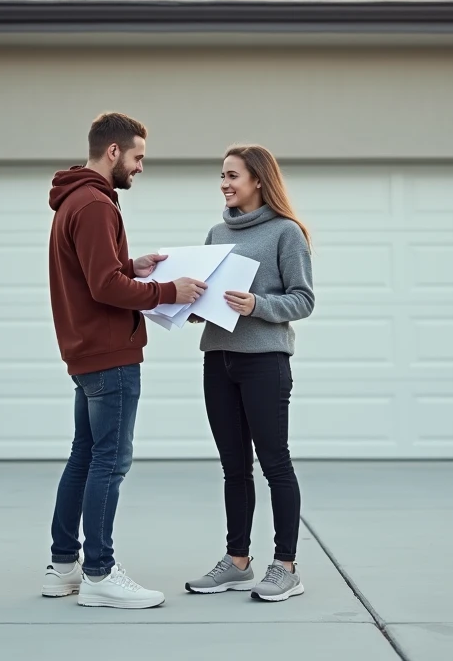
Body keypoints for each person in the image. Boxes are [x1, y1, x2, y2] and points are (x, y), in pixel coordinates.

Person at [42, 112, 207, 609]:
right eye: (137, 157)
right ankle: (99, 574)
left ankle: (63, 566)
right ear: (113, 151)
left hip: (87, 353)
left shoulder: (76, 200)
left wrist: (131, 267)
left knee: (86, 457)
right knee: (109, 463)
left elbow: (101, 273)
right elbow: (103, 287)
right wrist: (166, 290)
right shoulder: (94, 204)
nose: (139, 167)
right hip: (109, 357)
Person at [184, 145, 315, 603]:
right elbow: (208, 298)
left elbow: (303, 299)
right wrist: (194, 308)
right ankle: (237, 562)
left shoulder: (286, 233)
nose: (224, 182)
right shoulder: (217, 231)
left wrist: (258, 305)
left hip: (264, 361)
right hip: (218, 358)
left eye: (232, 175)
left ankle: (286, 566)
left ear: (258, 179)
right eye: (221, 174)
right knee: (233, 468)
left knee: (275, 463)